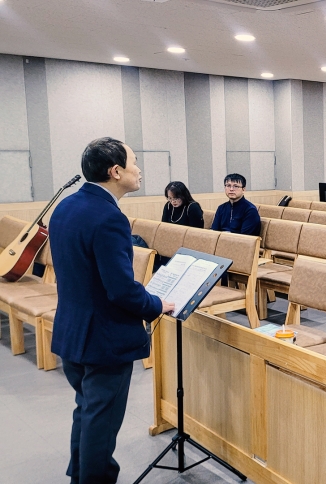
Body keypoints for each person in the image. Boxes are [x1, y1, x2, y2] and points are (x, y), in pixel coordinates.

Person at [50, 137, 173, 484]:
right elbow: (120, 289)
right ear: (116, 171)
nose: (139, 170)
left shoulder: (67, 206)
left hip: (73, 331)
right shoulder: (109, 217)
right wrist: (156, 304)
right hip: (103, 338)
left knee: (88, 411)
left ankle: (80, 476)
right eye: (134, 162)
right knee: (101, 423)